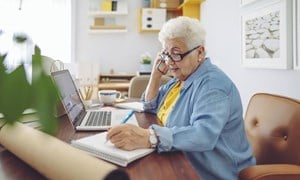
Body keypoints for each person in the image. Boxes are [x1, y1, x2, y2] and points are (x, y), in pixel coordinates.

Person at [106, 16, 256, 179]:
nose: (169, 62)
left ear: (199, 52)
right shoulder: (179, 80)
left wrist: (149, 137)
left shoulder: (213, 85)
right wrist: (155, 75)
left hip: (211, 172)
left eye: (176, 54)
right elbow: (149, 104)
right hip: (181, 159)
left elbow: (203, 134)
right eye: (166, 54)